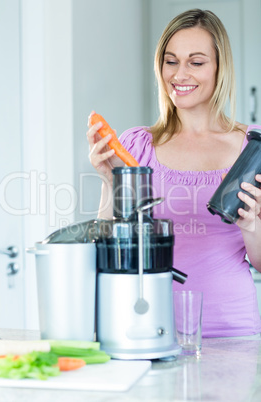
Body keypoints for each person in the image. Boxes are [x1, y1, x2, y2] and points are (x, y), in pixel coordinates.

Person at [87, 9, 261, 338]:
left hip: (231, 331)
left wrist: (253, 226)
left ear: (220, 68)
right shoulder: (136, 145)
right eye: (171, 61)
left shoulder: (253, 148)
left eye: (196, 62)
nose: (180, 74)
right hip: (148, 326)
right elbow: (110, 247)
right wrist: (111, 183)